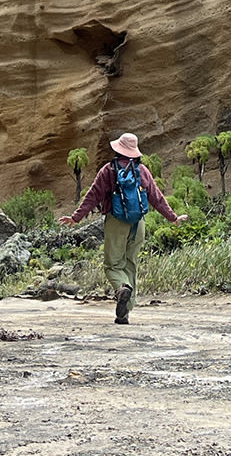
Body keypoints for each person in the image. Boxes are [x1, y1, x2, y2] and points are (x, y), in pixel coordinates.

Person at [61, 132, 184, 324]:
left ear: (118, 149)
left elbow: (93, 195)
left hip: (116, 222)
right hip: (138, 224)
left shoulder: (108, 170)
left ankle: (121, 288)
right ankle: (124, 313)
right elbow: (156, 197)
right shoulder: (142, 170)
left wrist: (76, 218)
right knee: (130, 264)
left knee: (113, 266)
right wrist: (173, 218)